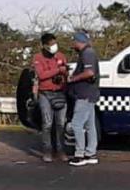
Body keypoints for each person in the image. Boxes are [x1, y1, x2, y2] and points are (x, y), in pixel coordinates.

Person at [32, 33, 69, 163]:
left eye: (55, 43)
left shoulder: (61, 56)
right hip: (45, 93)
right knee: (47, 124)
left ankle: (61, 150)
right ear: (44, 45)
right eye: (51, 44)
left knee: (61, 123)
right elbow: (41, 75)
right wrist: (58, 70)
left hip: (60, 92)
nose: (54, 46)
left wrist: (63, 72)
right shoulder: (38, 58)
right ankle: (47, 150)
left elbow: (66, 71)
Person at [67, 32, 100, 167]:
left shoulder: (87, 54)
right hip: (90, 94)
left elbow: (90, 72)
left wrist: (73, 78)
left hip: (84, 94)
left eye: (74, 42)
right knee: (89, 125)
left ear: (78, 41)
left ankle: (79, 154)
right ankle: (90, 153)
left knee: (76, 124)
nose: (73, 45)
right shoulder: (88, 53)